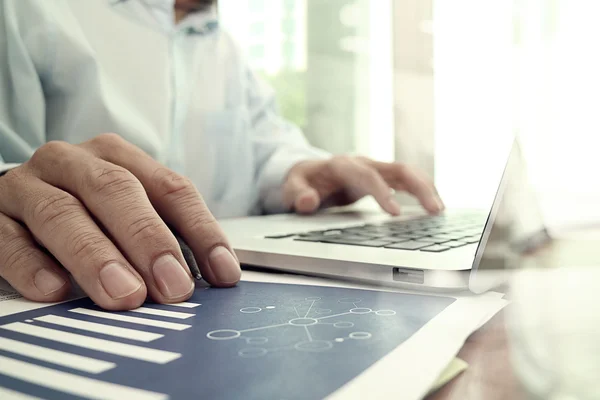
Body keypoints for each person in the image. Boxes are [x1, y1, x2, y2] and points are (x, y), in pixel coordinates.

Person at [0, 0, 444, 310]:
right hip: (79, 298)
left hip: (218, 294)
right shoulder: (28, 11)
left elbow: (265, 147)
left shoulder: (222, 45)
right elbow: (12, 183)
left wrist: (301, 170)